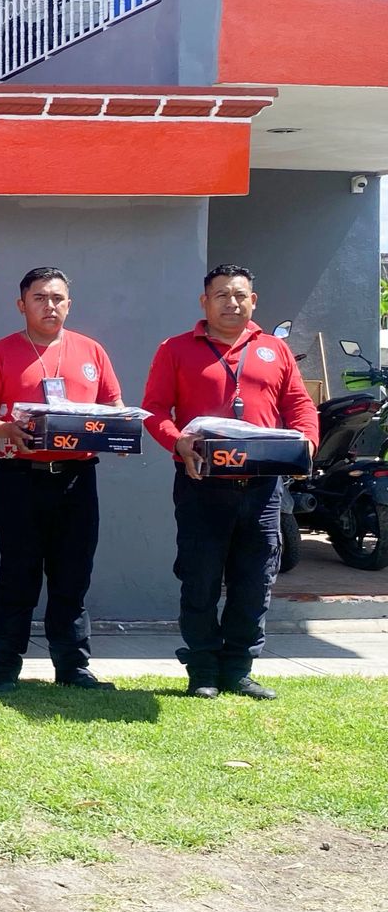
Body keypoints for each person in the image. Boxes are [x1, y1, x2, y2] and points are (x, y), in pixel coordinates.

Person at [141, 264, 319, 700]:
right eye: (221, 295)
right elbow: (155, 409)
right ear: (205, 302)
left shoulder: (274, 349)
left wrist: (307, 443)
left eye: (240, 295)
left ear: (252, 301)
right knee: (199, 578)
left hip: (262, 487)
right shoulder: (175, 349)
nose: (232, 303)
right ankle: (203, 668)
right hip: (202, 485)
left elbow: (299, 405)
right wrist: (177, 442)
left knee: (255, 579)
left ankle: (239, 668)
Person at [0, 267, 125, 693]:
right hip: (21, 477)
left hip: (77, 479)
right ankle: (3, 668)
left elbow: (114, 407)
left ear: (69, 304)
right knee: (18, 576)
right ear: (22, 305)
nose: (49, 306)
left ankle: (73, 667)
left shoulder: (91, 351)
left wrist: (115, 432)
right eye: (39, 298)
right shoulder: (1, 353)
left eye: (57, 298)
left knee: (72, 576)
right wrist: (5, 429)